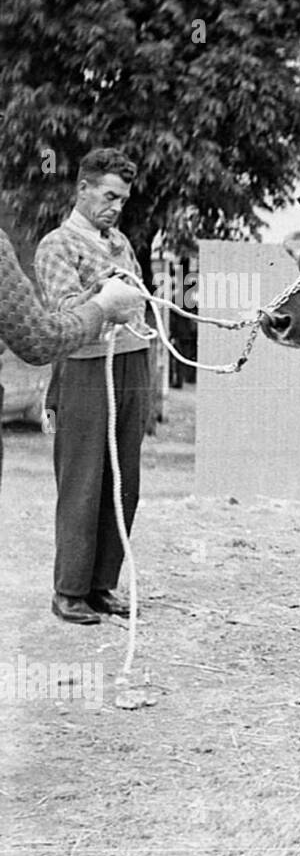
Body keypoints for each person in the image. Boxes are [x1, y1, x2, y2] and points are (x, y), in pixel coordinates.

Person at [34, 148, 152, 625]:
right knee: (83, 480)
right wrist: (105, 292)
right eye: (108, 196)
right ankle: (70, 591)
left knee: (124, 481)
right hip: (84, 370)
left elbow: (140, 297)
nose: (115, 206)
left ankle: (102, 583)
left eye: (122, 199)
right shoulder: (57, 245)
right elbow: (63, 311)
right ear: (82, 189)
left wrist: (127, 290)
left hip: (131, 362)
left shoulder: (121, 241)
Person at [0, 229, 141, 489]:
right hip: (67, 360)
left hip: (71, 347)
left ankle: (50, 430)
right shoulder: (54, 247)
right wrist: (102, 306)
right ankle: (51, 431)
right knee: (54, 407)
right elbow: (41, 339)